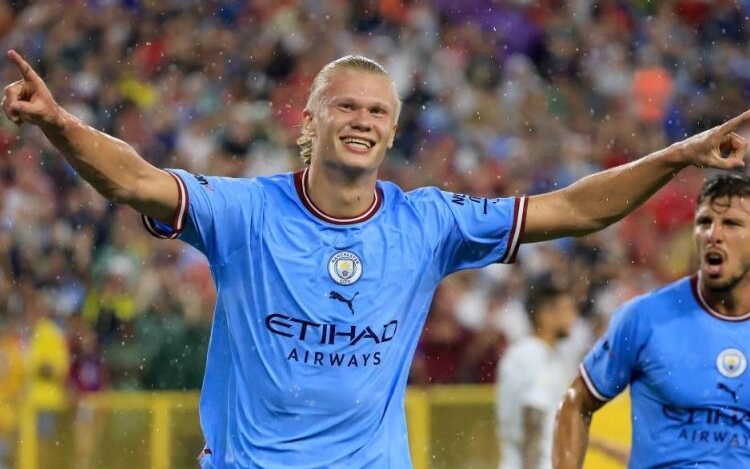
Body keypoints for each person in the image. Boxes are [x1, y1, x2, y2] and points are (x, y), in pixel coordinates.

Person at [1, 50, 749, 469]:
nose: (362, 120)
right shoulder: (246, 214)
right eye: (347, 106)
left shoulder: (429, 224)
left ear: (392, 132)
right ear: (312, 119)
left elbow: (578, 207)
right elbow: (132, 178)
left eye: (377, 111)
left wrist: (679, 155)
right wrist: (57, 123)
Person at [553, 172, 750, 468]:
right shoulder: (645, 318)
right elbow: (576, 402)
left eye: (731, 223)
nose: (713, 234)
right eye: (704, 222)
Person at [496, 282, 579, 469]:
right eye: (566, 309)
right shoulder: (537, 357)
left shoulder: (526, 353)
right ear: (545, 316)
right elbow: (533, 419)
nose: (573, 317)